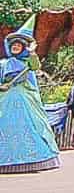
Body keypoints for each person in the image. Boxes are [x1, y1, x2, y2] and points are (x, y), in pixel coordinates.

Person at [0, 20, 59, 174]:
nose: (15, 48)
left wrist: (32, 51)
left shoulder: (29, 63)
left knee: (32, 124)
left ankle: (33, 159)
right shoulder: (4, 63)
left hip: (24, 98)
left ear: (23, 48)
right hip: (5, 98)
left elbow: (36, 66)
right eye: (13, 46)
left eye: (18, 46)